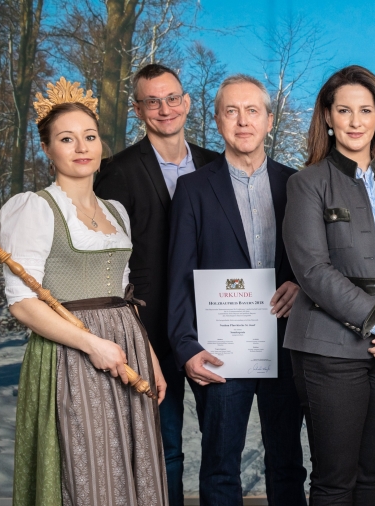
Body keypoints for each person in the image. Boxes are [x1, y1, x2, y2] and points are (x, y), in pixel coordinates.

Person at [0, 78, 168, 505]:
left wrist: (149, 358)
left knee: (132, 467)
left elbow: (123, 295)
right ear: (47, 149)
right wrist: (91, 344)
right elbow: (22, 303)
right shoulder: (35, 208)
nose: (81, 147)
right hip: (69, 356)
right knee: (86, 470)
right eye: (66, 138)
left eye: (89, 136)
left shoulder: (117, 211)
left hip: (126, 348)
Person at [282, 65, 375, 505]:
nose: (354, 121)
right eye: (343, 110)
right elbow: (311, 269)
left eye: (365, 110)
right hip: (329, 352)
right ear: (327, 118)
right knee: (335, 480)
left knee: (373, 475)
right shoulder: (306, 183)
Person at [167, 74, 306, 505]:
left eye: (252, 111)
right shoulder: (192, 189)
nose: (242, 121)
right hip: (221, 347)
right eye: (231, 111)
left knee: (287, 464)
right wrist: (185, 345)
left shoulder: (298, 184)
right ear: (217, 120)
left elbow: (316, 260)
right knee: (220, 466)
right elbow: (180, 274)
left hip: (285, 343)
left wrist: (301, 285)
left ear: (269, 120)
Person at [95, 62, 220, 506]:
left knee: (220, 444)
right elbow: (113, 261)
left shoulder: (214, 163)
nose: (164, 109)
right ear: (138, 109)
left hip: (213, 324)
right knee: (164, 447)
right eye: (152, 101)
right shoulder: (117, 171)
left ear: (187, 103)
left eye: (171, 98)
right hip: (149, 330)